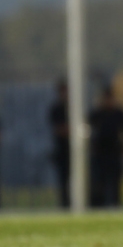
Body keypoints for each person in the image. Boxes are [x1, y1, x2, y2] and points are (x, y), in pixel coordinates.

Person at [88, 83, 123, 208]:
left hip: (114, 152)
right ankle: (98, 206)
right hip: (99, 153)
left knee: (115, 182)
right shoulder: (96, 114)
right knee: (99, 183)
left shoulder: (119, 114)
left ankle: (115, 205)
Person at [48, 80, 70, 209]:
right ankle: (65, 205)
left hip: (77, 152)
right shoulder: (56, 109)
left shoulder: (76, 106)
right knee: (63, 181)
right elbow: (59, 130)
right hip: (62, 150)